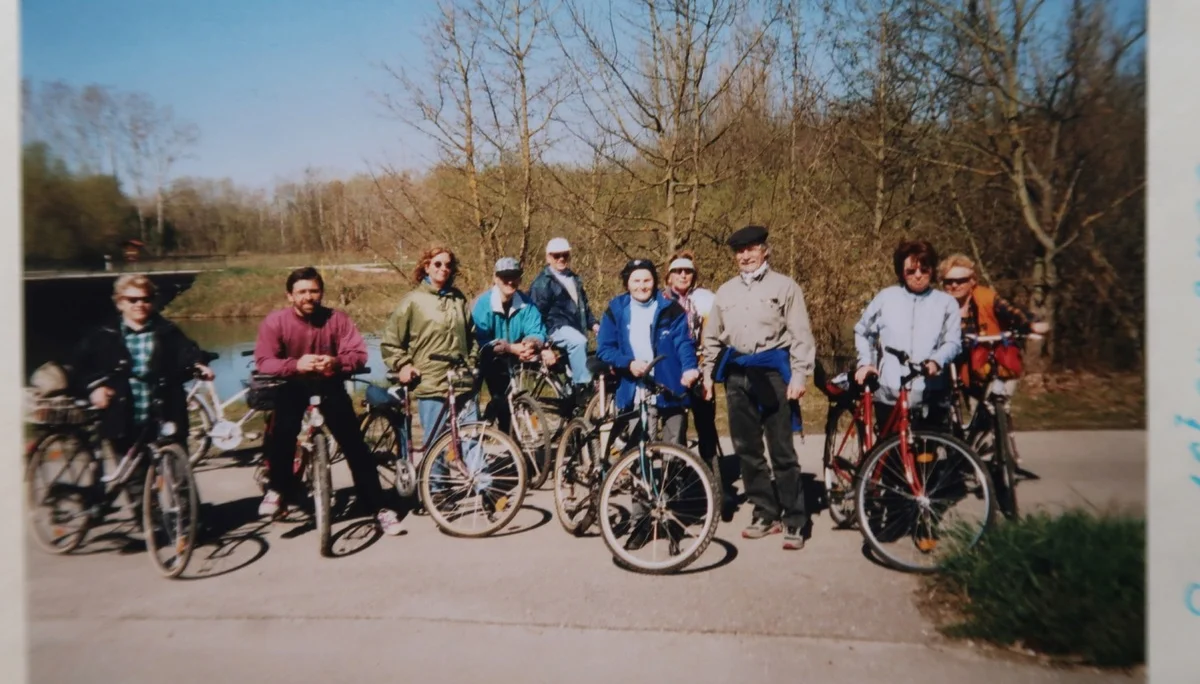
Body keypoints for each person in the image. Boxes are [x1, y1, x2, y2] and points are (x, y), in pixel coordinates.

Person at [254, 266, 403, 536]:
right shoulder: (275, 322)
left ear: (321, 292)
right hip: (292, 384)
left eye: (314, 291)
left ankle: (379, 508)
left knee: (355, 447)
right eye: (301, 292)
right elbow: (264, 361)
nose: (308, 297)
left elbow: (358, 354)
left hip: (330, 385)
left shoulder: (337, 319)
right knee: (283, 433)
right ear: (290, 296)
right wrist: (295, 364)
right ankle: (278, 489)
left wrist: (337, 361)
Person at [701, 225, 817, 551]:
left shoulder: (785, 286)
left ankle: (795, 519)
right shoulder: (724, 292)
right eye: (739, 251)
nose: (745, 256)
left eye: (751, 249)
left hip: (774, 374)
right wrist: (708, 374)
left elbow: (800, 334)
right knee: (747, 450)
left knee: (781, 450)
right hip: (738, 375)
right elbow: (712, 338)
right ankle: (766, 512)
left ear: (764, 250)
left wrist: (799, 376)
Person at [69, 274, 215, 523]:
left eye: (146, 299)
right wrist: (96, 387)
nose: (140, 305)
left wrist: (198, 363)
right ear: (120, 302)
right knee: (135, 474)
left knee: (178, 468)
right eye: (133, 299)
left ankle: (191, 522)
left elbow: (187, 351)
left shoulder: (166, 330)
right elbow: (80, 367)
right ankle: (149, 522)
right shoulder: (103, 333)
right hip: (123, 411)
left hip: (165, 409)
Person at [596, 258, 700, 550]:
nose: (642, 286)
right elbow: (605, 348)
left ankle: (672, 520)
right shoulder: (616, 310)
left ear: (655, 282)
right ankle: (640, 523)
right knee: (639, 458)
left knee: (674, 458)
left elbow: (684, 343)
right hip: (635, 391)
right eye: (635, 281)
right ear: (627, 283)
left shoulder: (671, 309)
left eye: (647, 280)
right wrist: (628, 363)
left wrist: (690, 369)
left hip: (671, 389)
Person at [854, 240, 962, 435]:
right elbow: (863, 331)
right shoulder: (886, 298)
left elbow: (953, 342)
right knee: (891, 457)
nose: (918, 275)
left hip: (931, 392)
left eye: (924, 269)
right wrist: (865, 362)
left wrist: (937, 361)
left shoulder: (946, 303)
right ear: (901, 273)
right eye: (911, 271)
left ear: (932, 270)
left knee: (926, 458)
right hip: (890, 392)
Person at [663, 250, 739, 519]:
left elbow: (718, 332)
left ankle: (717, 489)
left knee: (706, 427)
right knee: (675, 429)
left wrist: (708, 367)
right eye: (677, 271)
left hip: (700, 368)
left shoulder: (704, 299)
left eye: (688, 271)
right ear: (669, 275)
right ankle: (676, 490)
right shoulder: (660, 301)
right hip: (672, 372)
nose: (683, 275)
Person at [381, 245, 479, 446]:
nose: (443, 268)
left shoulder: (458, 299)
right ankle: (434, 479)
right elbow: (391, 341)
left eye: (448, 265)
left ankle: (482, 479)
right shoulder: (413, 301)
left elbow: (472, 337)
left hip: (462, 382)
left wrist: (471, 362)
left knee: (472, 437)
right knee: (437, 446)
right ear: (426, 267)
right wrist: (403, 365)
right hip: (431, 382)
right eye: (438, 263)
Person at [472, 257, 548, 434]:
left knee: (507, 404)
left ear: (520, 279)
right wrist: (509, 347)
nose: (510, 281)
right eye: (504, 276)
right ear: (496, 279)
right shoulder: (483, 304)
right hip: (481, 358)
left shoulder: (526, 303)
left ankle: (511, 447)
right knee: (471, 405)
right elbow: (480, 339)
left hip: (508, 361)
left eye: (514, 276)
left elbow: (536, 329)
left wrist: (531, 344)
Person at [528, 237, 600, 409]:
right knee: (578, 342)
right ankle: (583, 385)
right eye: (556, 255)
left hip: (574, 329)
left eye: (565, 255)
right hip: (555, 329)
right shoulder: (542, 283)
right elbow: (536, 315)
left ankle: (574, 421)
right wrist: (543, 345)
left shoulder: (575, 279)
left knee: (571, 392)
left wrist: (596, 325)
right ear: (548, 257)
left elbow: (584, 309)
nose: (561, 259)